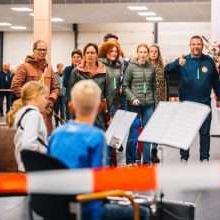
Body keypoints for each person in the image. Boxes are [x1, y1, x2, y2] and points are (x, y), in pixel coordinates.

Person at [49, 80, 150, 220]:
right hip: (85, 208)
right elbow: (97, 182)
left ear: (71, 107)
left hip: (57, 205)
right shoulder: (96, 136)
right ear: (99, 107)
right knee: (144, 212)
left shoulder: (56, 133)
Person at [165, 36, 220, 162]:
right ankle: (184, 157)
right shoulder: (183, 60)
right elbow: (166, 70)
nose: (196, 46)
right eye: (193, 44)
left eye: (198, 44)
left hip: (204, 104)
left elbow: (216, 81)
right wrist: (176, 63)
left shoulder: (209, 61)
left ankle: (204, 158)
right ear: (189, 46)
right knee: (185, 133)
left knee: (205, 133)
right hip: (186, 105)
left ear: (202, 46)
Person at [11, 40, 59, 134]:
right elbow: (15, 86)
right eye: (40, 49)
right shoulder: (24, 67)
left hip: (46, 112)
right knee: (31, 139)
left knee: (46, 139)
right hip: (30, 112)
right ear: (33, 50)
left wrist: (51, 100)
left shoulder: (49, 68)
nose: (42, 52)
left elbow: (55, 87)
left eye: (44, 50)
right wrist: (32, 100)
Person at [123, 44, 156, 165]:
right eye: (140, 52)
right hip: (134, 106)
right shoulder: (131, 67)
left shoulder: (152, 68)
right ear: (137, 53)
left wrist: (155, 103)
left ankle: (147, 161)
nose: (143, 54)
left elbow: (154, 87)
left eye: (145, 52)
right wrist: (132, 98)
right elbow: (125, 86)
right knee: (133, 134)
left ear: (148, 54)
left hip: (148, 105)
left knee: (148, 133)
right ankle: (130, 161)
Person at [6, 81, 49, 172]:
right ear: (35, 97)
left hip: (25, 168)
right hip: (33, 169)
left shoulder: (23, 112)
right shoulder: (34, 115)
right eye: (45, 98)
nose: (47, 101)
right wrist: (44, 153)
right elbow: (28, 145)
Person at [68, 43, 107, 130]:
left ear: (97, 55)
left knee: (98, 138)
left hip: (99, 112)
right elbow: (71, 95)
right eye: (87, 53)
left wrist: (110, 114)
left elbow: (108, 94)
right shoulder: (76, 71)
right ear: (84, 55)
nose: (90, 55)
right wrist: (71, 117)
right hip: (80, 111)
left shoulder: (105, 71)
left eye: (92, 53)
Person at [99, 41, 123, 166]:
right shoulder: (101, 65)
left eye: (115, 51)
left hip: (116, 104)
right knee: (106, 136)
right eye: (111, 51)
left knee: (114, 137)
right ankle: (106, 164)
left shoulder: (119, 65)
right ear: (105, 52)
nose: (114, 53)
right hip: (105, 105)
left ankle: (113, 164)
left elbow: (118, 83)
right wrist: (105, 108)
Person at [149, 44, 167, 163]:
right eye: (152, 51)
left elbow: (165, 85)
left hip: (160, 101)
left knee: (157, 126)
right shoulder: (144, 66)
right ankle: (142, 152)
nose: (154, 53)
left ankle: (154, 151)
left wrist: (164, 101)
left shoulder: (162, 66)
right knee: (146, 126)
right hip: (148, 100)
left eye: (156, 51)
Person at [63, 49, 82, 120]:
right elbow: (65, 84)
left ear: (81, 58)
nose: (76, 59)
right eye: (74, 57)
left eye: (78, 57)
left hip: (81, 99)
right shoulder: (68, 69)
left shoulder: (84, 69)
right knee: (70, 120)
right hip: (70, 99)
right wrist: (75, 70)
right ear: (72, 59)